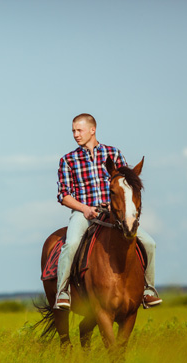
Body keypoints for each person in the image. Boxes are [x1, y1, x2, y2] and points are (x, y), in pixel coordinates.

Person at [54, 113, 162, 311]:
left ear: (92, 130)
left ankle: (148, 290)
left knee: (149, 243)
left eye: (79, 130)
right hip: (84, 213)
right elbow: (63, 195)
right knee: (71, 245)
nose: (75, 135)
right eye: (73, 131)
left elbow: (125, 184)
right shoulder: (68, 160)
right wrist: (84, 209)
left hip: (113, 212)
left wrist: (117, 206)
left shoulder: (114, 154)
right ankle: (62, 292)